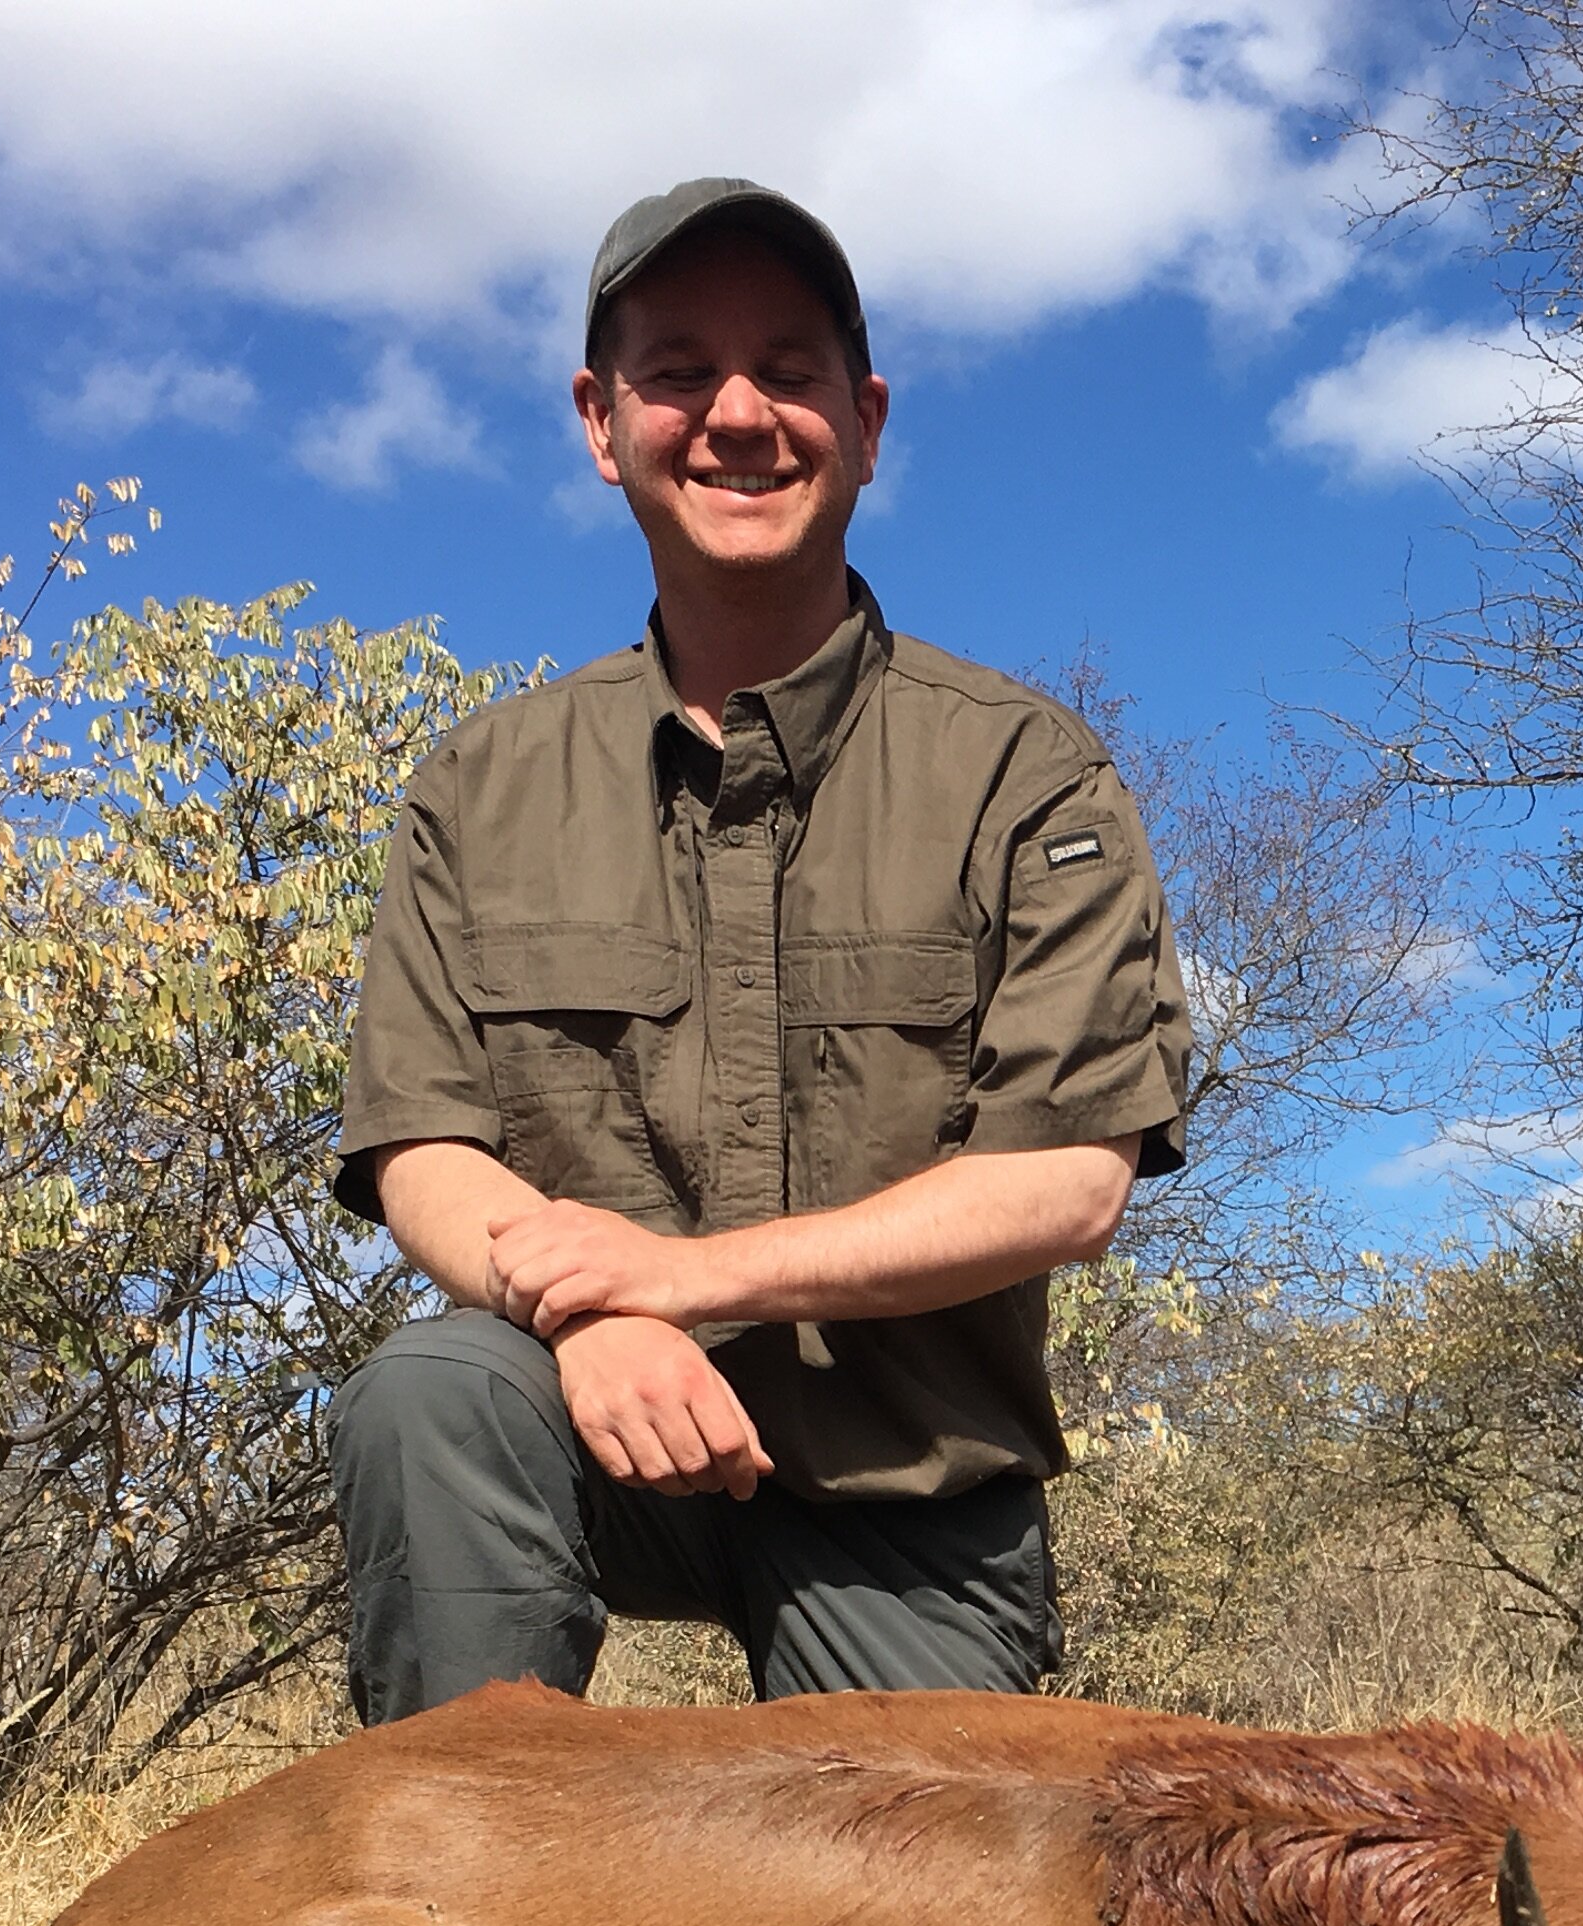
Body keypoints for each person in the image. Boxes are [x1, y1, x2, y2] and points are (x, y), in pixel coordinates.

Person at [328, 178, 1189, 1718]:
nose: (738, 416)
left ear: (862, 422)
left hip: (912, 1503)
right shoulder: (479, 783)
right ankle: (458, 1912)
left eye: (790, 372)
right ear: (601, 422)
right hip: (595, 1430)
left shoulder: (1025, 771)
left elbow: (1067, 1181)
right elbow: (423, 1149)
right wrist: (593, 1318)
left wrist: (671, 1278)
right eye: (678, 372)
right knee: (433, 1398)